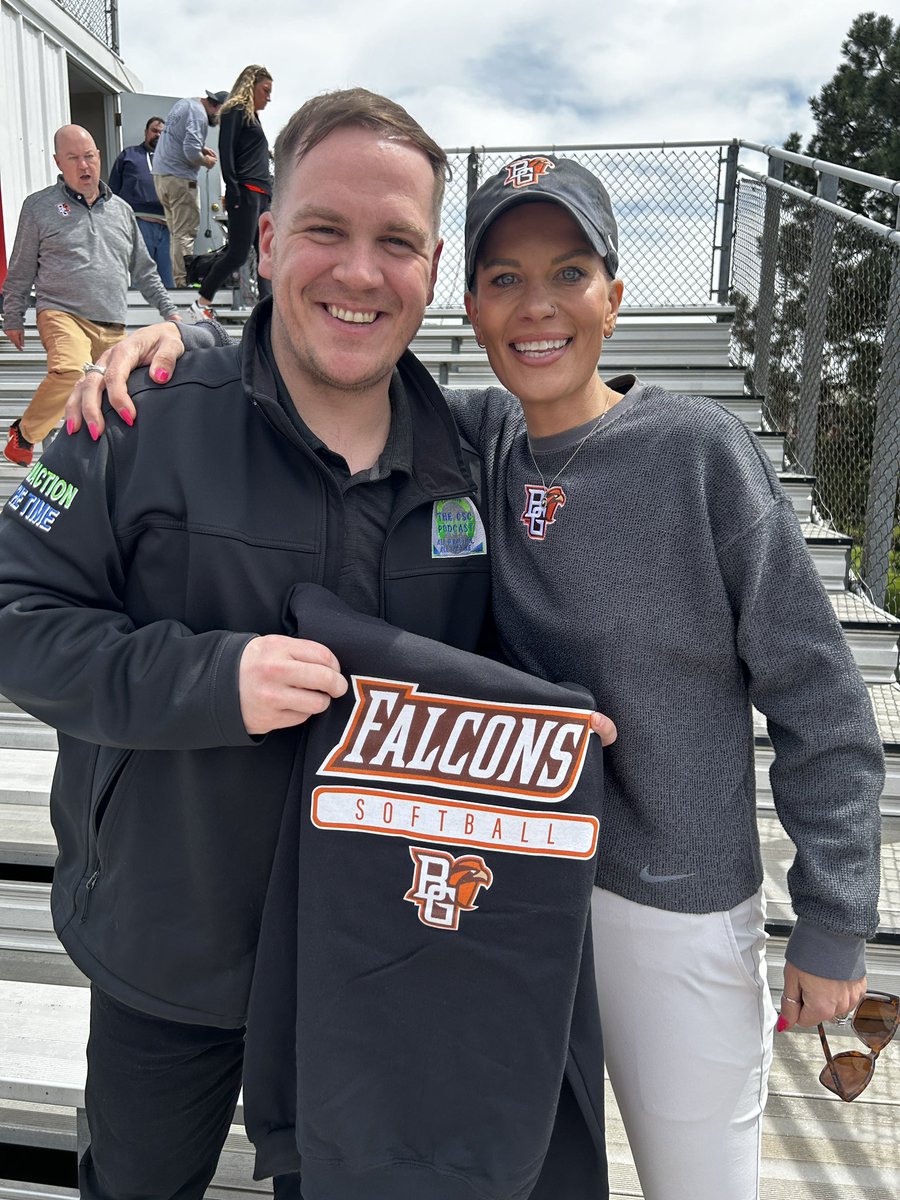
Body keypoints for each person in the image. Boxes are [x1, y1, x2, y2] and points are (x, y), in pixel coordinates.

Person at [73, 153, 885, 1200]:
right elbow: (322, 362)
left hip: (671, 904)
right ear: (473, 303)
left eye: (569, 273)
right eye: (504, 278)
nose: (536, 307)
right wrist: (186, 343)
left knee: (700, 1183)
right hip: (511, 887)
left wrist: (832, 917)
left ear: (615, 295)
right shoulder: (477, 436)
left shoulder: (698, 451)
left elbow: (821, 697)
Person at [0, 91, 613, 1200]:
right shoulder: (139, 414)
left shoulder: (476, 454)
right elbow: (17, 615)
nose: (359, 272)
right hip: (167, 945)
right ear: (270, 238)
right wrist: (208, 678)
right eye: (327, 230)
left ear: (433, 274)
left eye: (397, 244)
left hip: (379, 959)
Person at [0, 125, 178, 468]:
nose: (84, 166)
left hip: (111, 321)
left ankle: (95, 466)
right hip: (61, 313)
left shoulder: (123, 211)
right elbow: (20, 267)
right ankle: (24, 434)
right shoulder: (39, 207)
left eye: (90, 157)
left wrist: (169, 311)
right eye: (73, 158)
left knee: (118, 394)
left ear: (99, 157)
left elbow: (144, 269)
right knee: (70, 371)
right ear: (58, 163)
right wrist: (12, 316)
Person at [191, 65, 273, 319]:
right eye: (266, 90)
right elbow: (226, 152)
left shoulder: (253, 116)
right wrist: (233, 188)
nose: (269, 98)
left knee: (266, 256)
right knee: (238, 253)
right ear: (252, 85)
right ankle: (201, 303)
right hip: (246, 191)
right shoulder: (234, 111)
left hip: (262, 193)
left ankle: (269, 312)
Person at [152, 88, 226, 291]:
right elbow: (190, 151)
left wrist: (201, 148)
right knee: (185, 233)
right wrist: (206, 161)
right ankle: (183, 282)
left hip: (162, 177)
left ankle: (178, 280)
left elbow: (179, 138)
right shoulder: (199, 115)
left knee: (176, 233)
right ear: (217, 106)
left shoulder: (185, 104)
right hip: (180, 180)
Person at [109, 115, 174, 288]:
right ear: (146, 132)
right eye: (154, 131)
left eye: (162, 132)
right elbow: (113, 191)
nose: (158, 135)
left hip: (168, 229)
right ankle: (140, 315)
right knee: (142, 280)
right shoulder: (129, 155)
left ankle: (170, 315)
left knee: (169, 282)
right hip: (139, 225)